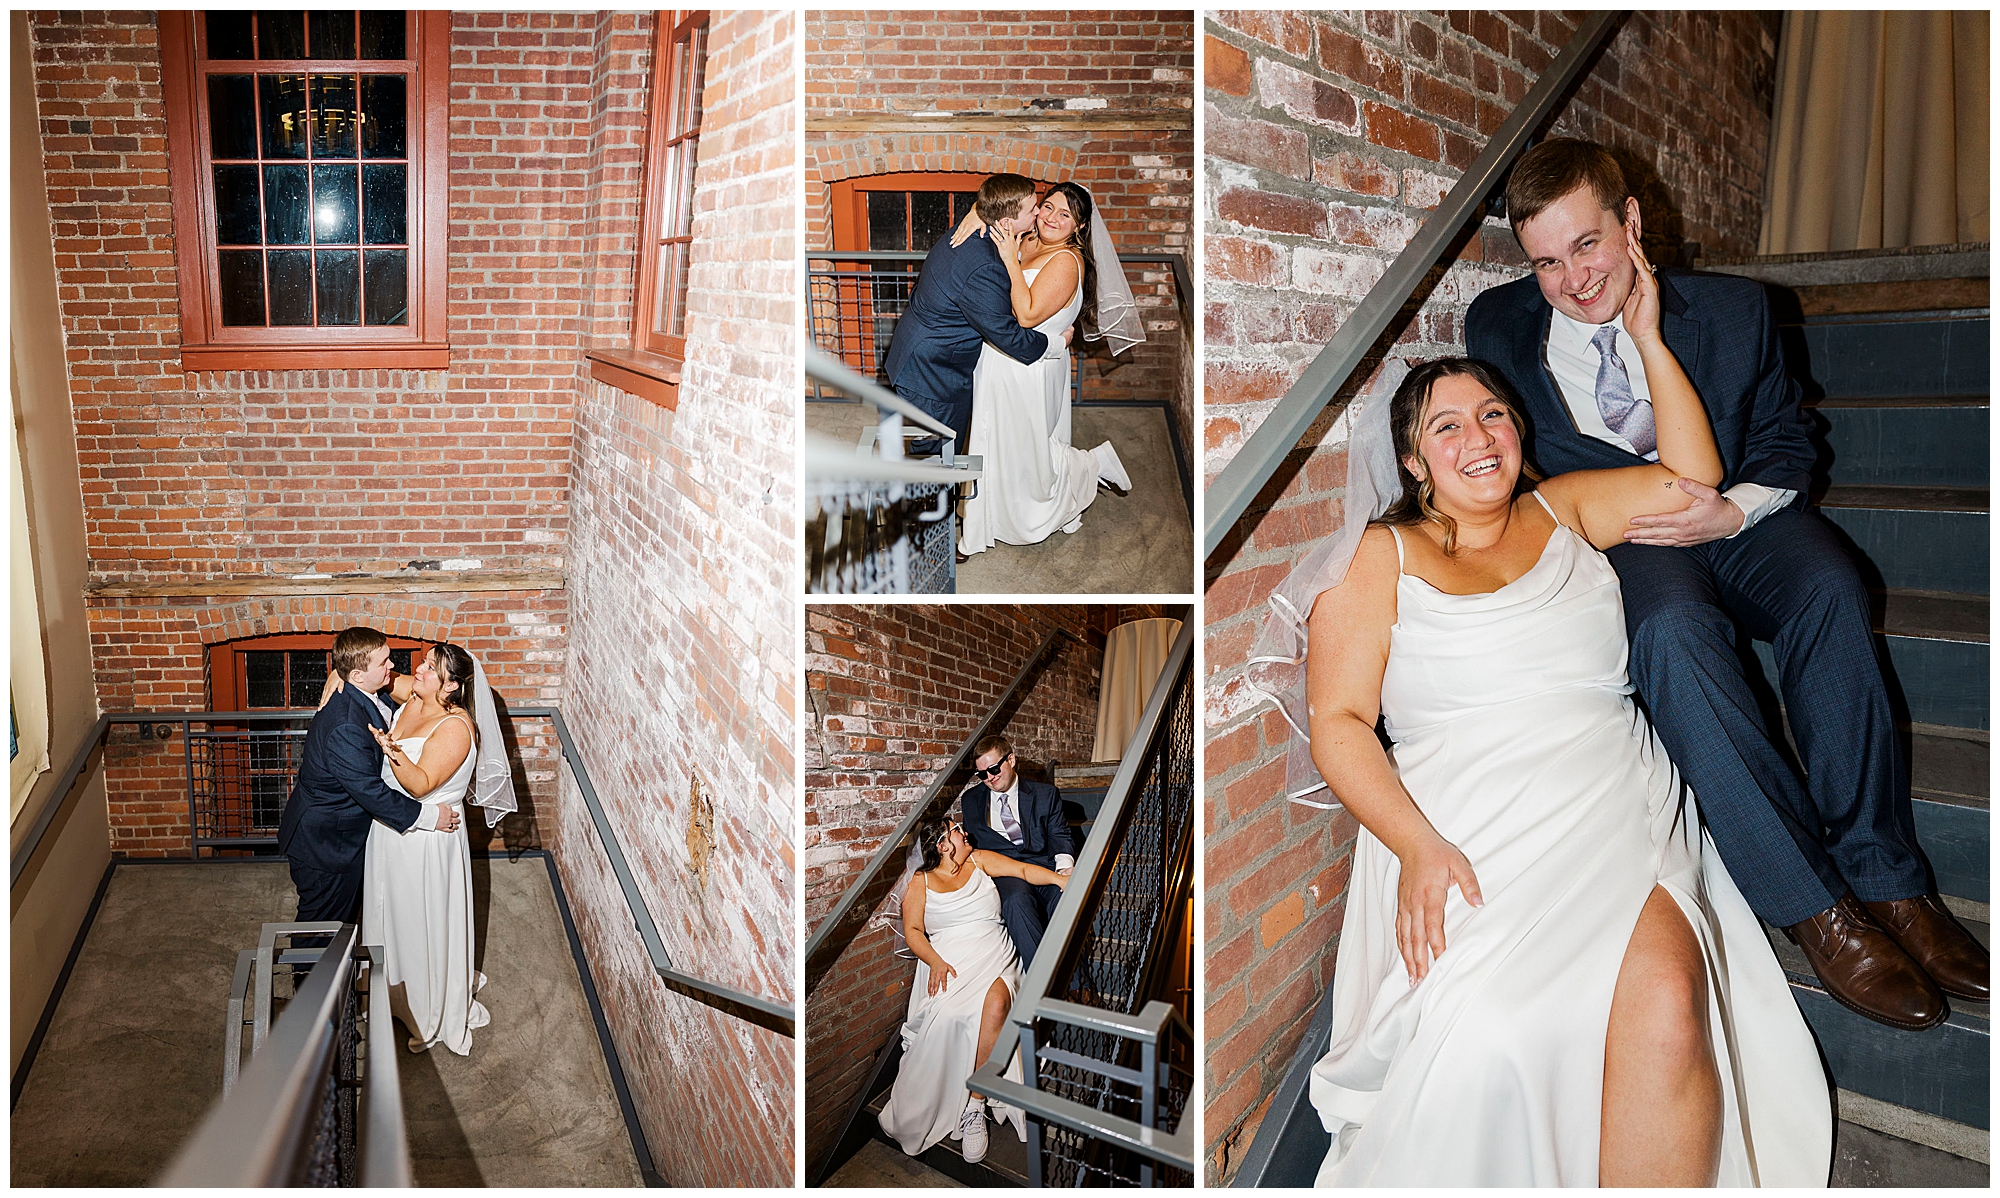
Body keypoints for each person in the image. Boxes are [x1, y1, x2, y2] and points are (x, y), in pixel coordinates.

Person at [1252, 219, 1830, 1184]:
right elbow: (1339, 724)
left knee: (1666, 1007)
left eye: (1493, 415)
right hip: (1459, 822)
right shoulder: (1378, 557)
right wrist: (1418, 846)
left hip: (1609, 798)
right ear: (1412, 462)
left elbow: (1693, 480)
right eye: (1446, 427)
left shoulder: (1566, 508)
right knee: (1493, 1034)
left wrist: (1648, 338)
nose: (1478, 437)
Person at [1466, 138, 1986, 1027]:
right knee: (1670, 634)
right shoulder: (1497, 327)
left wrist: (1732, 514)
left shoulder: (1737, 310)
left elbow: (1788, 444)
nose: (1574, 280)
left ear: (1630, 223)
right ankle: (1813, 904)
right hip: (1631, 540)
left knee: (1829, 585)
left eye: (1587, 245)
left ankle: (1887, 878)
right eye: (1547, 263)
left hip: (1740, 519)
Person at [956, 181, 1141, 554]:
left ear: (1079, 226)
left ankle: (1090, 465)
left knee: (1023, 450)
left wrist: (1010, 259)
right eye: (1048, 207)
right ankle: (985, 520)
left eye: (1065, 214)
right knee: (996, 443)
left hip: (1030, 367)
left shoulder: (1066, 262)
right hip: (997, 358)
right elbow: (994, 204)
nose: (1052, 218)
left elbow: (1026, 315)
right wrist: (974, 214)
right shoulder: (1027, 238)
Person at [879, 814, 1068, 1164]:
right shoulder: (920, 881)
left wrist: (1060, 880)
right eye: (956, 831)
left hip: (995, 954)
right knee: (950, 1015)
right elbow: (914, 931)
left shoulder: (979, 860)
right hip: (949, 961)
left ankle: (975, 1104)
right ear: (943, 845)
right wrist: (935, 962)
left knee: (995, 1006)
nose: (965, 833)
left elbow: (1023, 870)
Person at [278, 627, 458, 930]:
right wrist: (430, 817)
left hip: (340, 838)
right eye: (384, 662)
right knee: (322, 930)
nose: (392, 666)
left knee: (344, 924)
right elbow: (370, 791)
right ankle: (312, 965)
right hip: (326, 846)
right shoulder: (346, 725)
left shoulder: (370, 692)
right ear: (358, 676)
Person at [883, 173, 1056, 457]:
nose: (1038, 212)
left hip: (918, 352)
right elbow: (1006, 334)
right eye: (1032, 209)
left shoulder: (971, 229)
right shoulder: (985, 266)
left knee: (934, 449)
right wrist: (1054, 343)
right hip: (933, 376)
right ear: (1006, 223)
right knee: (936, 457)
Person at [957, 735, 1076, 968]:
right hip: (1005, 871)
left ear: (1010, 760)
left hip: (1042, 864)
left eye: (993, 769)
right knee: (1016, 901)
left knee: (1064, 897)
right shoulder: (970, 800)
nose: (990, 778)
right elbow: (972, 845)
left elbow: (1059, 834)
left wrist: (1064, 868)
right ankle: (1039, 978)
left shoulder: (1045, 794)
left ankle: (1075, 982)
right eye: (982, 774)